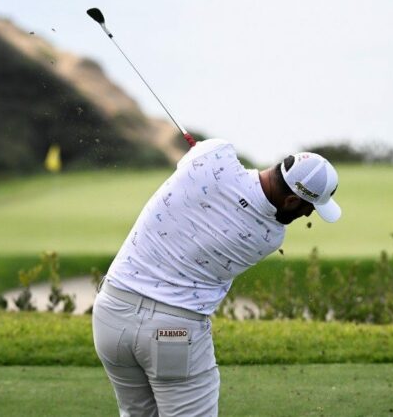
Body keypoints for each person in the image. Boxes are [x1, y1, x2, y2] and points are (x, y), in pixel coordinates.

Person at [92, 138, 341, 416]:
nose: (308, 214)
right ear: (291, 200)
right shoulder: (269, 236)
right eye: (309, 207)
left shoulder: (215, 153)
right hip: (173, 331)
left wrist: (203, 151)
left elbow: (196, 168)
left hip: (111, 314)